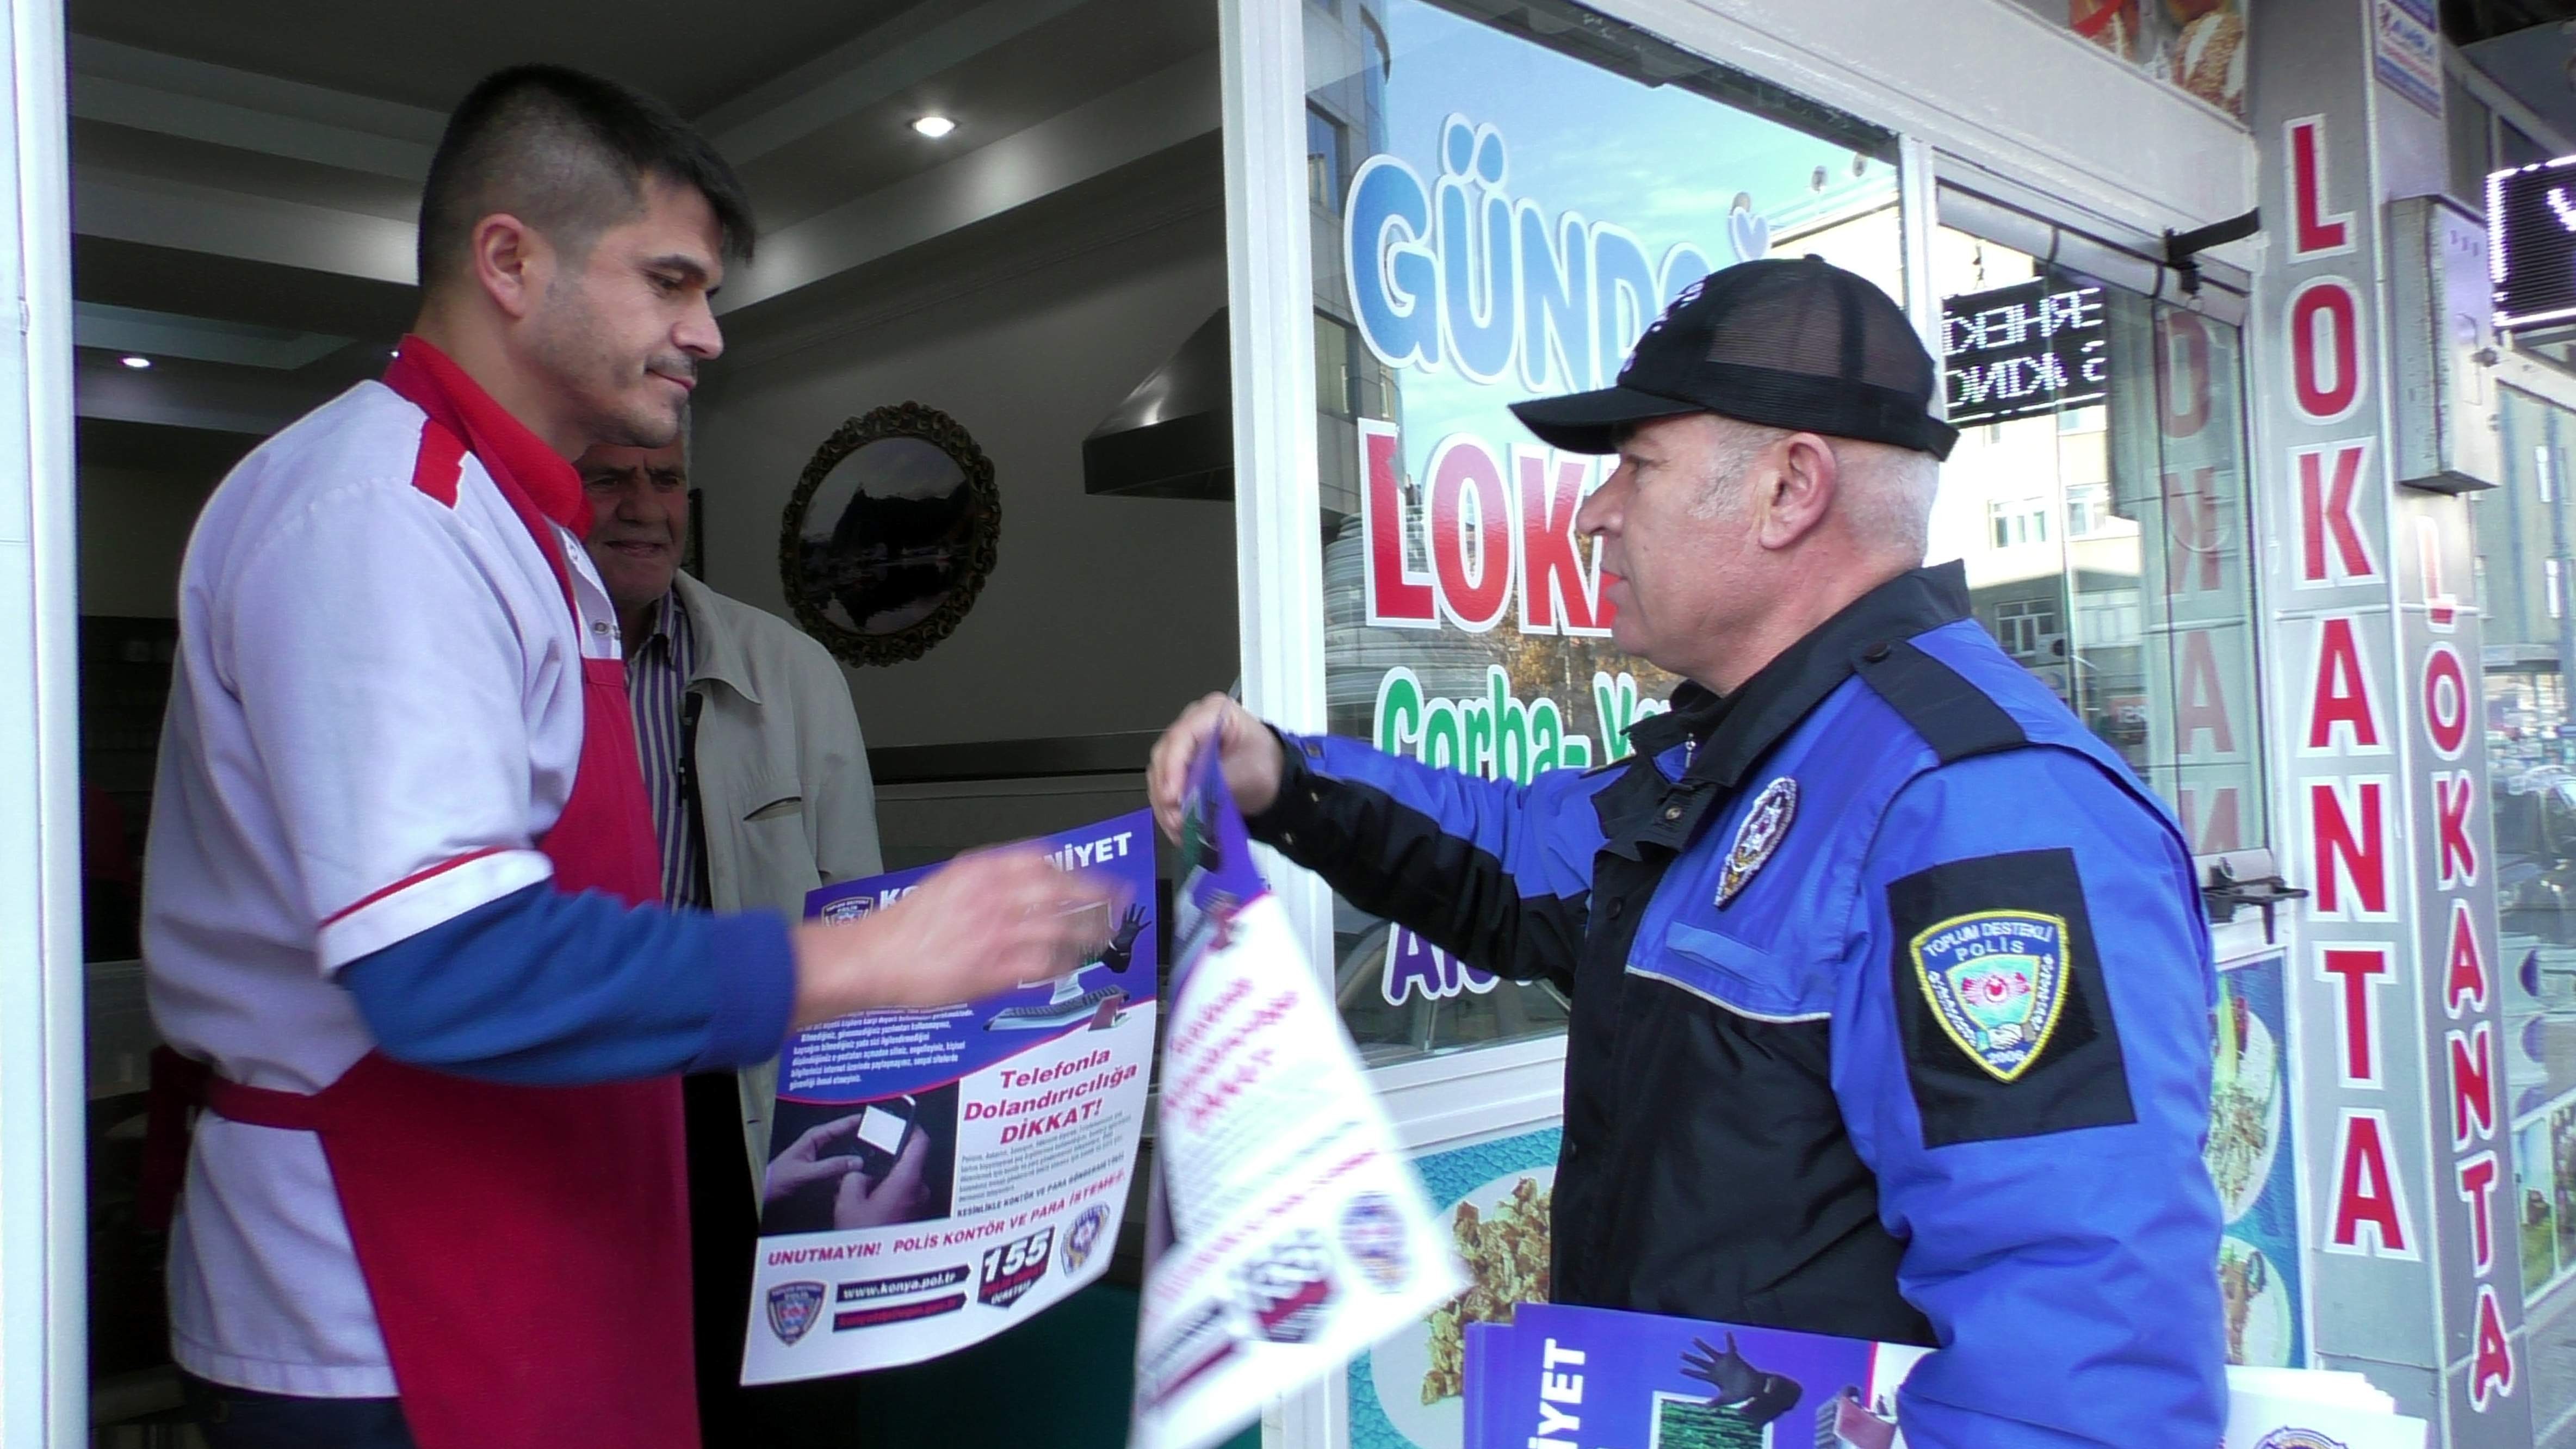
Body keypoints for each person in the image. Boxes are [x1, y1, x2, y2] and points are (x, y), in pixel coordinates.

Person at [140, 65, 1115, 1449]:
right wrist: (859, 961)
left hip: (540, 1242)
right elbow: (442, 966)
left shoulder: (524, 531)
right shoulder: (383, 515)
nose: (706, 334)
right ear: (510, 261)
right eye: (669, 282)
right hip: (378, 1314)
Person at [1148, 257, 2226, 1446]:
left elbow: (2076, 1343)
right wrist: (1286, 781)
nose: (1596, 510)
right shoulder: (1747, 756)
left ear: (1786, 490)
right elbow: (1519, 860)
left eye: (1637, 466)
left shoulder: (1978, 803)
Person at [578, 430, 896, 1443]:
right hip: (588, 1103)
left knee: (785, 1411)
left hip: (754, 1113)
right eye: (608, 478)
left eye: (663, 480)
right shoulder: (513, 662)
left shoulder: (791, 672)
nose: (642, 505)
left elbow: (859, 917)